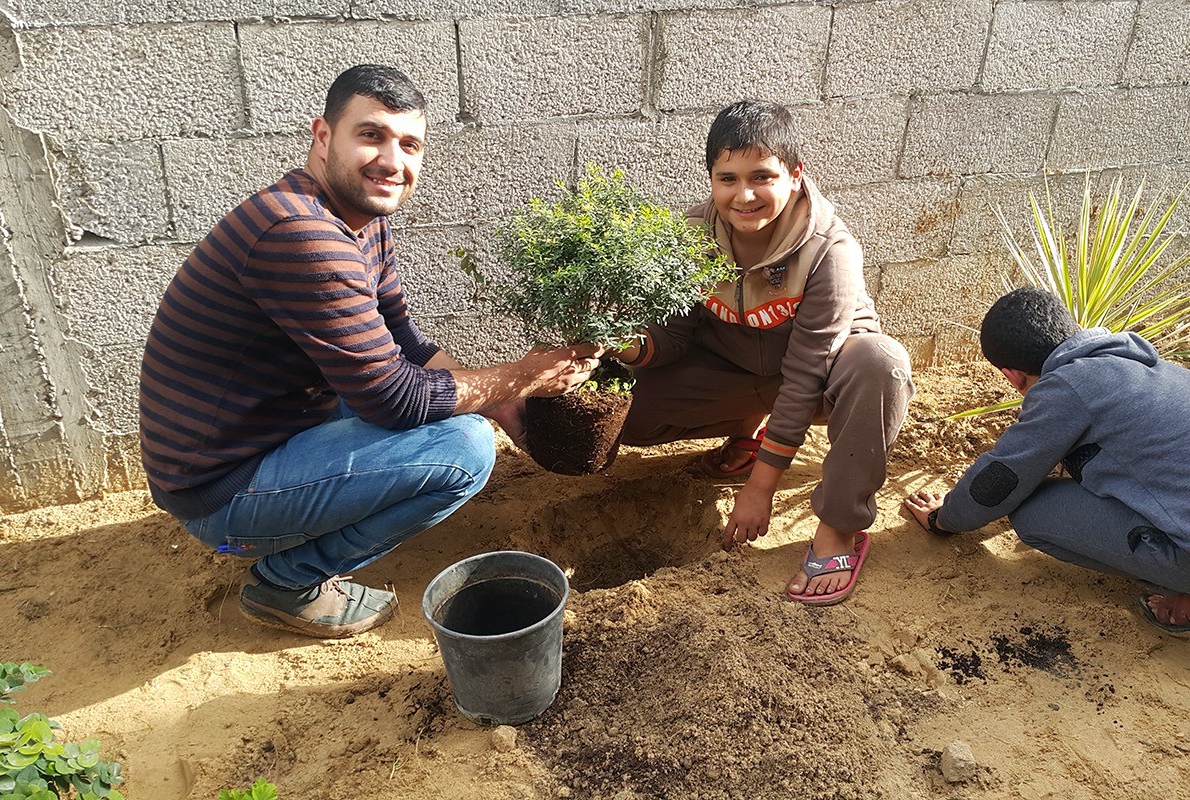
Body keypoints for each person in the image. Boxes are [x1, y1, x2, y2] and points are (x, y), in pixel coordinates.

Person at [139, 64, 601, 639]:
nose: (392, 161)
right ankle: (289, 581)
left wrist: (504, 404)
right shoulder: (300, 234)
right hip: (221, 499)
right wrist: (522, 378)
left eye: (409, 145)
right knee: (465, 449)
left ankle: (293, 541)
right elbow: (393, 399)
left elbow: (403, 342)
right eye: (371, 135)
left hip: (261, 435)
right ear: (323, 136)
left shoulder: (356, 220)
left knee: (458, 414)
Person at [614, 99, 914, 605]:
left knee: (880, 364)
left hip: (819, 383)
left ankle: (840, 527)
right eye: (727, 178)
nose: (744, 194)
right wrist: (627, 344)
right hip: (737, 373)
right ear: (711, 178)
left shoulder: (828, 251)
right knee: (626, 410)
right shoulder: (691, 235)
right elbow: (675, 336)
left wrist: (759, 490)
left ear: (794, 176)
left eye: (762, 177)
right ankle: (747, 435)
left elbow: (804, 376)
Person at [904, 286, 1190, 637]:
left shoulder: (1068, 387)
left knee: (1031, 512)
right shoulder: (1151, 368)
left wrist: (943, 519)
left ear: (1012, 375)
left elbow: (1003, 476)